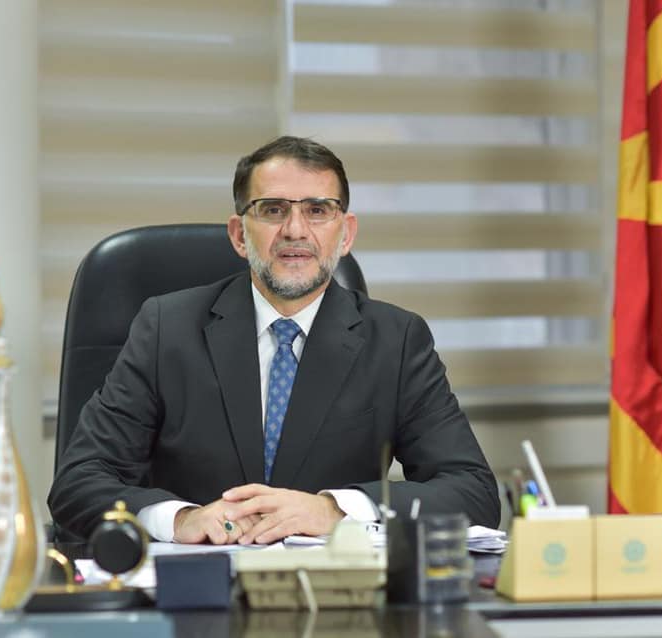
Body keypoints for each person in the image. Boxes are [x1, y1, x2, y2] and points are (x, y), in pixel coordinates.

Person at [48, 136, 500, 545]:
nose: (295, 230)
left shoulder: (396, 340)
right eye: (273, 210)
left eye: (318, 210)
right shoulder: (167, 327)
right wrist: (180, 519)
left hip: (337, 592)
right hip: (197, 584)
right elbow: (78, 482)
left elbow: (472, 491)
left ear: (346, 234)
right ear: (238, 235)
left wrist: (335, 510)